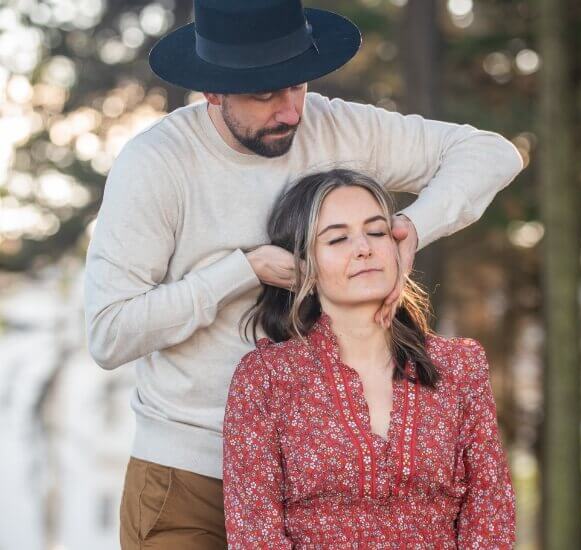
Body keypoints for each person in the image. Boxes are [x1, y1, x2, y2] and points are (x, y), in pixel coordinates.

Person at [83, 0, 522, 548]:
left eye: (297, 86)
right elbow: (109, 332)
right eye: (265, 95)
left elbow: (490, 153)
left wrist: (409, 229)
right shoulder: (157, 165)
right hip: (190, 472)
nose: (290, 111)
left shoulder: (338, 126)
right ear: (212, 91)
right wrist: (241, 271)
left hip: (320, 474)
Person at [223, 168, 515, 548]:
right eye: (338, 238)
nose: (364, 248)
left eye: (377, 232)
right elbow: (254, 533)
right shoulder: (266, 377)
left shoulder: (460, 365)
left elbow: (490, 516)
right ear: (302, 265)